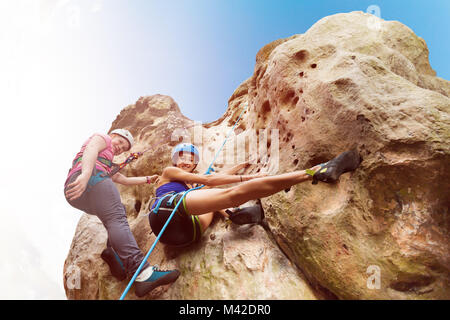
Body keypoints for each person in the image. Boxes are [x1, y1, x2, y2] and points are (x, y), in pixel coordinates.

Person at [149, 143, 361, 247]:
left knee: (212, 201)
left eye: (190, 159)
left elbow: (213, 180)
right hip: (166, 210)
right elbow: (212, 181)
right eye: (182, 158)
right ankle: (317, 170)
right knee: (227, 193)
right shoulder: (169, 173)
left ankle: (234, 214)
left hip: (186, 235)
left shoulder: (190, 186)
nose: (186, 161)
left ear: (194, 163)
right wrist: (249, 178)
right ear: (176, 162)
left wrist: (240, 166)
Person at [64, 129, 180, 297]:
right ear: (112, 136)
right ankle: (144, 273)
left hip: (78, 193)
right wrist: (86, 174)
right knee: (117, 218)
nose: (119, 148)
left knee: (116, 217)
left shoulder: (107, 163)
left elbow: (124, 180)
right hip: (89, 178)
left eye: (124, 148)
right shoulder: (102, 137)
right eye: (119, 142)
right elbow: (91, 149)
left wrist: (148, 179)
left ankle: (112, 253)